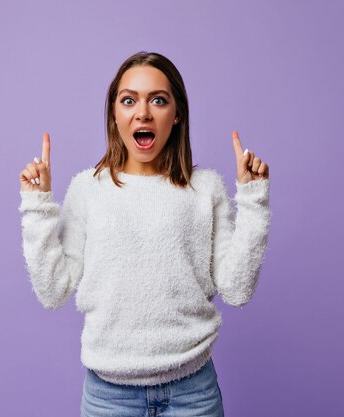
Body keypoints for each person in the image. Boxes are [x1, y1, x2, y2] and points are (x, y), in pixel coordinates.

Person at [18, 51, 271, 417]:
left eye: (158, 100)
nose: (143, 113)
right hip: (109, 397)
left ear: (177, 113)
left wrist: (252, 199)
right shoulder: (87, 190)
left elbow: (237, 288)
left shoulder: (207, 189)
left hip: (193, 393)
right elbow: (52, 290)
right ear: (114, 114)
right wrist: (37, 206)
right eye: (128, 100)